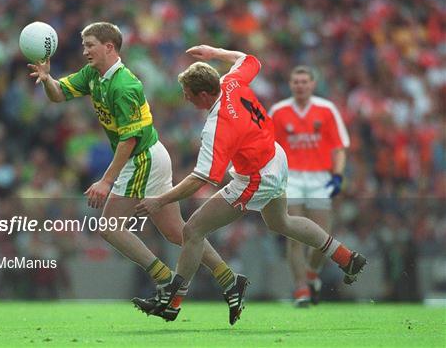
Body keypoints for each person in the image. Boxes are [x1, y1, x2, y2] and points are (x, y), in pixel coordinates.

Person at [133, 45, 367, 324]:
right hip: (274, 157)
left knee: (193, 229)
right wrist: (213, 52)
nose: (185, 99)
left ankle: (173, 301)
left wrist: (161, 200)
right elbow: (250, 59)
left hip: (256, 176)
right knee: (282, 222)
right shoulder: (230, 82)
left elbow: (202, 178)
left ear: (205, 94)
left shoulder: (218, 125)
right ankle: (345, 256)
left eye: (188, 94)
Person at [28, 23, 242, 321]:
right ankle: (229, 280)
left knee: (109, 226)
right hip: (150, 155)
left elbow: (128, 140)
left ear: (109, 47)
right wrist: (47, 77)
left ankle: (166, 280)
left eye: (90, 44)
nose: (85, 50)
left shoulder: (125, 85)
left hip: (141, 157)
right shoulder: (94, 75)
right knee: (175, 232)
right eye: (84, 45)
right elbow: (58, 95)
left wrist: (106, 180)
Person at [268, 66, 350, 306]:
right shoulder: (279, 111)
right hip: (290, 177)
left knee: (322, 238)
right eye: (296, 82)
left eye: (304, 81)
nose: (300, 85)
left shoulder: (326, 110)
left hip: (318, 179)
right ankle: (301, 288)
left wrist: (337, 176)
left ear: (313, 84)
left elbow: (339, 147)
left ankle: (312, 273)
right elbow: (269, 148)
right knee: (294, 235)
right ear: (290, 85)